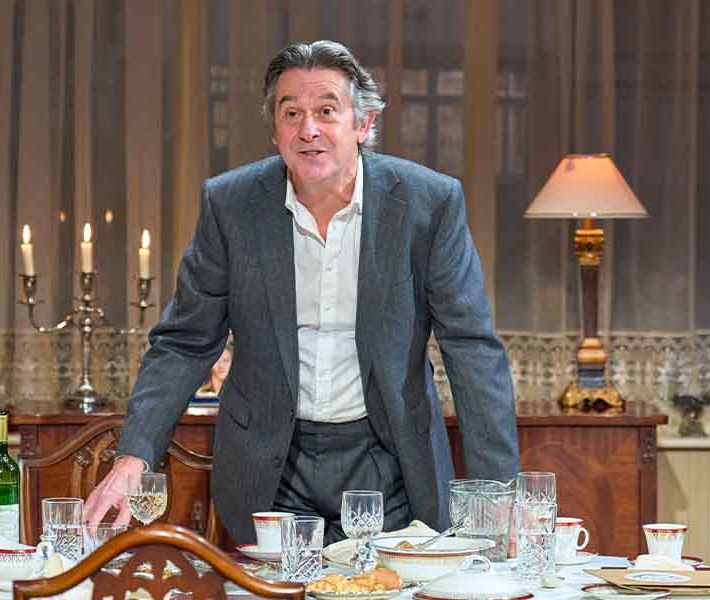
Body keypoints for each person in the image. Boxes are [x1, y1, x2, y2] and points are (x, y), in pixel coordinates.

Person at [84, 40, 518, 544]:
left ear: (363, 124)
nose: (308, 129)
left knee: (386, 584)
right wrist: (133, 457)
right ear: (275, 131)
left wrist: (498, 493)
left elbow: (471, 348)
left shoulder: (429, 203)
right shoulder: (231, 205)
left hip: (389, 461)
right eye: (291, 113)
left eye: (327, 111)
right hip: (271, 467)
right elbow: (184, 341)